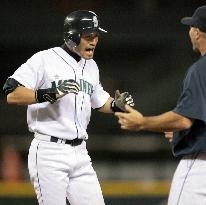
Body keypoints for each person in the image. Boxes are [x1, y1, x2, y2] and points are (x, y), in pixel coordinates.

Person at [115, 5, 206, 205]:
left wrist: (141, 123)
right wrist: (180, 134)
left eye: (191, 27)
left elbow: (184, 120)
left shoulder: (204, 68)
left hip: (205, 163)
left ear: (197, 32)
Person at [3, 10, 134, 205]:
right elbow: (12, 93)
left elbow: (100, 101)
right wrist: (50, 93)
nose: (94, 41)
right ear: (72, 36)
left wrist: (117, 105)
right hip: (49, 151)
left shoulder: (91, 67)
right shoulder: (44, 59)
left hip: (80, 152)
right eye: (89, 36)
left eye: (96, 36)